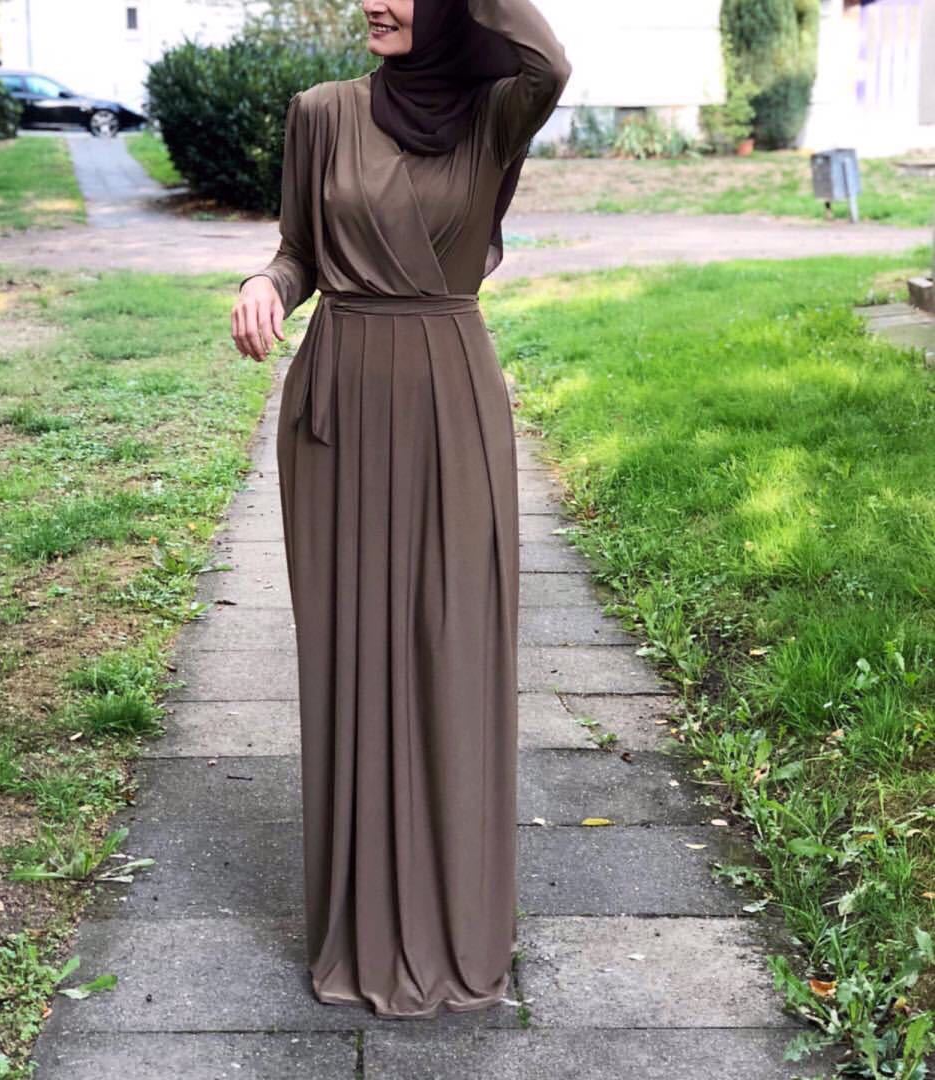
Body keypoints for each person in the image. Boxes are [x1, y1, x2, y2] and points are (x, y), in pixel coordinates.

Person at [230, 0, 570, 1020]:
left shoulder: (495, 113)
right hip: (340, 405)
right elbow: (299, 249)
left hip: (449, 399)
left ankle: (456, 918)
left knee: (451, 647)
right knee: (350, 653)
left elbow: (550, 61)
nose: (374, 1)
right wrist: (265, 281)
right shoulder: (321, 111)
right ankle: (360, 921)